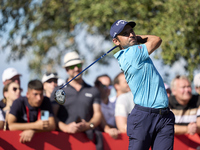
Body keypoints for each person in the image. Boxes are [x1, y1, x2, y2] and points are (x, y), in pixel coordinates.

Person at [110, 20, 175, 150]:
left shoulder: (136, 51)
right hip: (144, 116)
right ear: (116, 42)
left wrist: (132, 38)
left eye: (131, 31)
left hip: (164, 116)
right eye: (125, 34)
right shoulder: (131, 54)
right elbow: (157, 39)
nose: (131, 35)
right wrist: (138, 38)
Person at [50, 51, 103, 149]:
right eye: (71, 67)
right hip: (64, 142)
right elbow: (52, 115)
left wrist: (88, 125)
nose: (76, 69)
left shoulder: (93, 90)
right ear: (66, 70)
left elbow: (98, 114)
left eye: (78, 65)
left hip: (88, 142)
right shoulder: (59, 91)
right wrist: (65, 127)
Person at [94, 74, 120, 139]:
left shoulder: (116, 104)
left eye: (110, 85)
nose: (107, 89)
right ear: (96, 87)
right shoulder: (93, 104)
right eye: (104, 86)